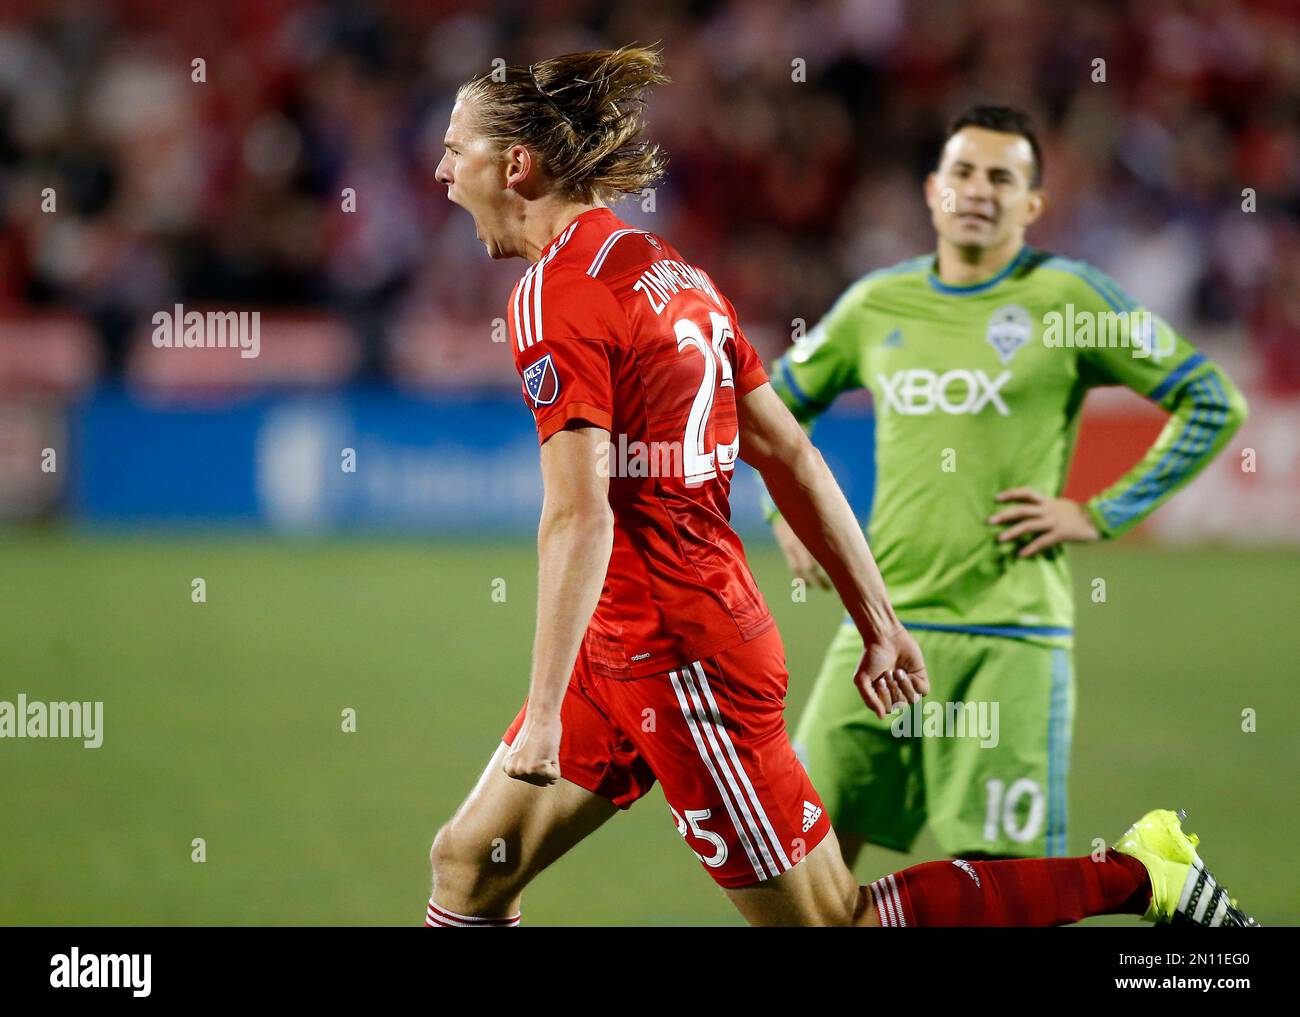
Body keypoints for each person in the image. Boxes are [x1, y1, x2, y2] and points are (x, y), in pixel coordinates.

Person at [424, 48, 1255, 928]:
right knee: (469, 865)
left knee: (836, 919)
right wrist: (879, 624)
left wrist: (544, 711)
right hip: (620, 638)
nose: (441, 173)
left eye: (454, 150)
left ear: (516, 165)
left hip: (680, 656)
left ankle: (1140, 875)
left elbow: (578, 512)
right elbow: (788, 452)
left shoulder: (555, 295)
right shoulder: (671, 271)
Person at [766, 105, 1248, 867]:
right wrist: (787, 515)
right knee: (799, 865)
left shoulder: (1070, 299)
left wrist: (1102, 512)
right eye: (962, 171)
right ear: (932, 191)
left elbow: (1213, 399)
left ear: (1031, 205)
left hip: (1009, 638)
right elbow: (773, 404)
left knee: (1002, 892)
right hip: (881, 632)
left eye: (1002, 176)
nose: (978, 189)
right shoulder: (877, 304)